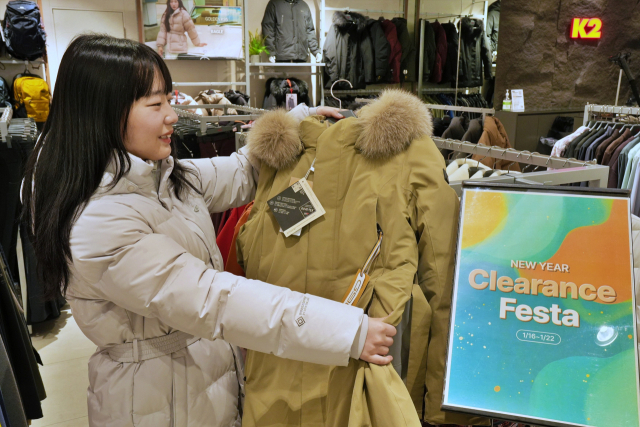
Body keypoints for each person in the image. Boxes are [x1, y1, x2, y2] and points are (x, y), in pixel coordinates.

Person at [21, 34, 396, 427]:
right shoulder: (96, 221)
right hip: (155, 405)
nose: (173, 115)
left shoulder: (156, 176)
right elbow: (216, 300)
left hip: (198, 384)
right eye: (155, 104)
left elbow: (239, 172)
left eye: (169, 98)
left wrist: (299, 125)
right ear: (103, 115)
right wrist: (347, 330)